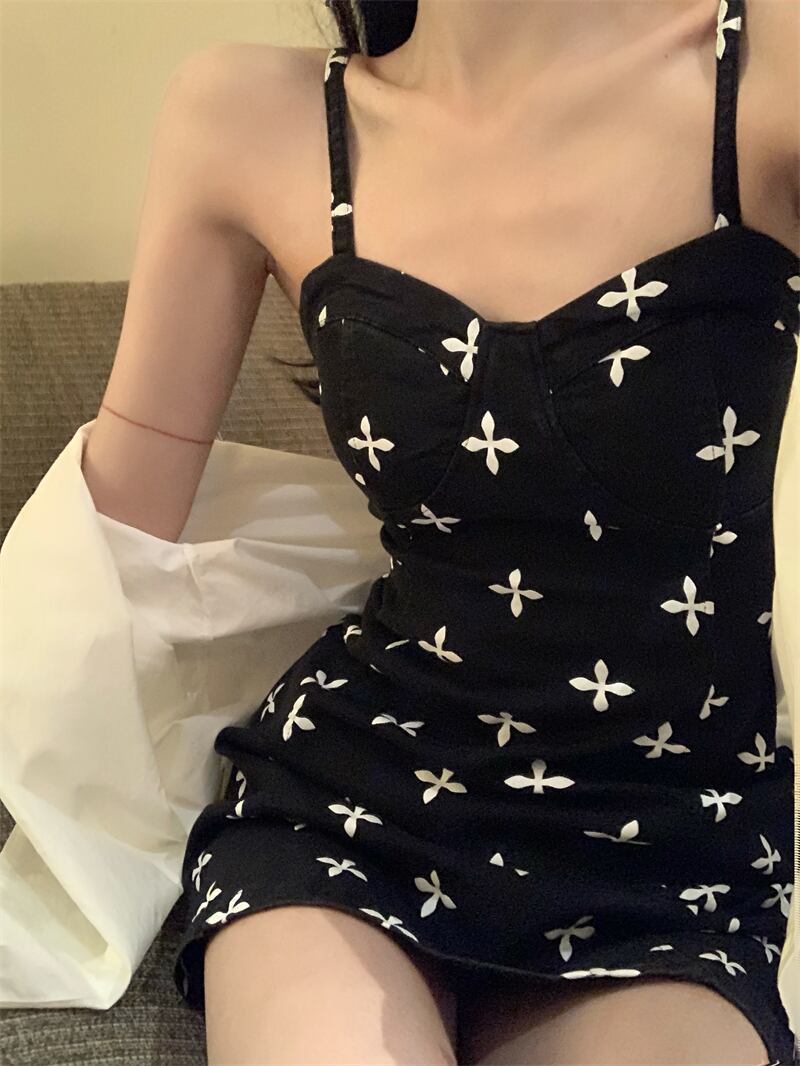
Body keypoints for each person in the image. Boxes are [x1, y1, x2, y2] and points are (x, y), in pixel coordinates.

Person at [81, 0, 799, 1062]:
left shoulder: (768, 68)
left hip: (672, 836)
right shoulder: (253, 115)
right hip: (353, 802)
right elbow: (113, 532)